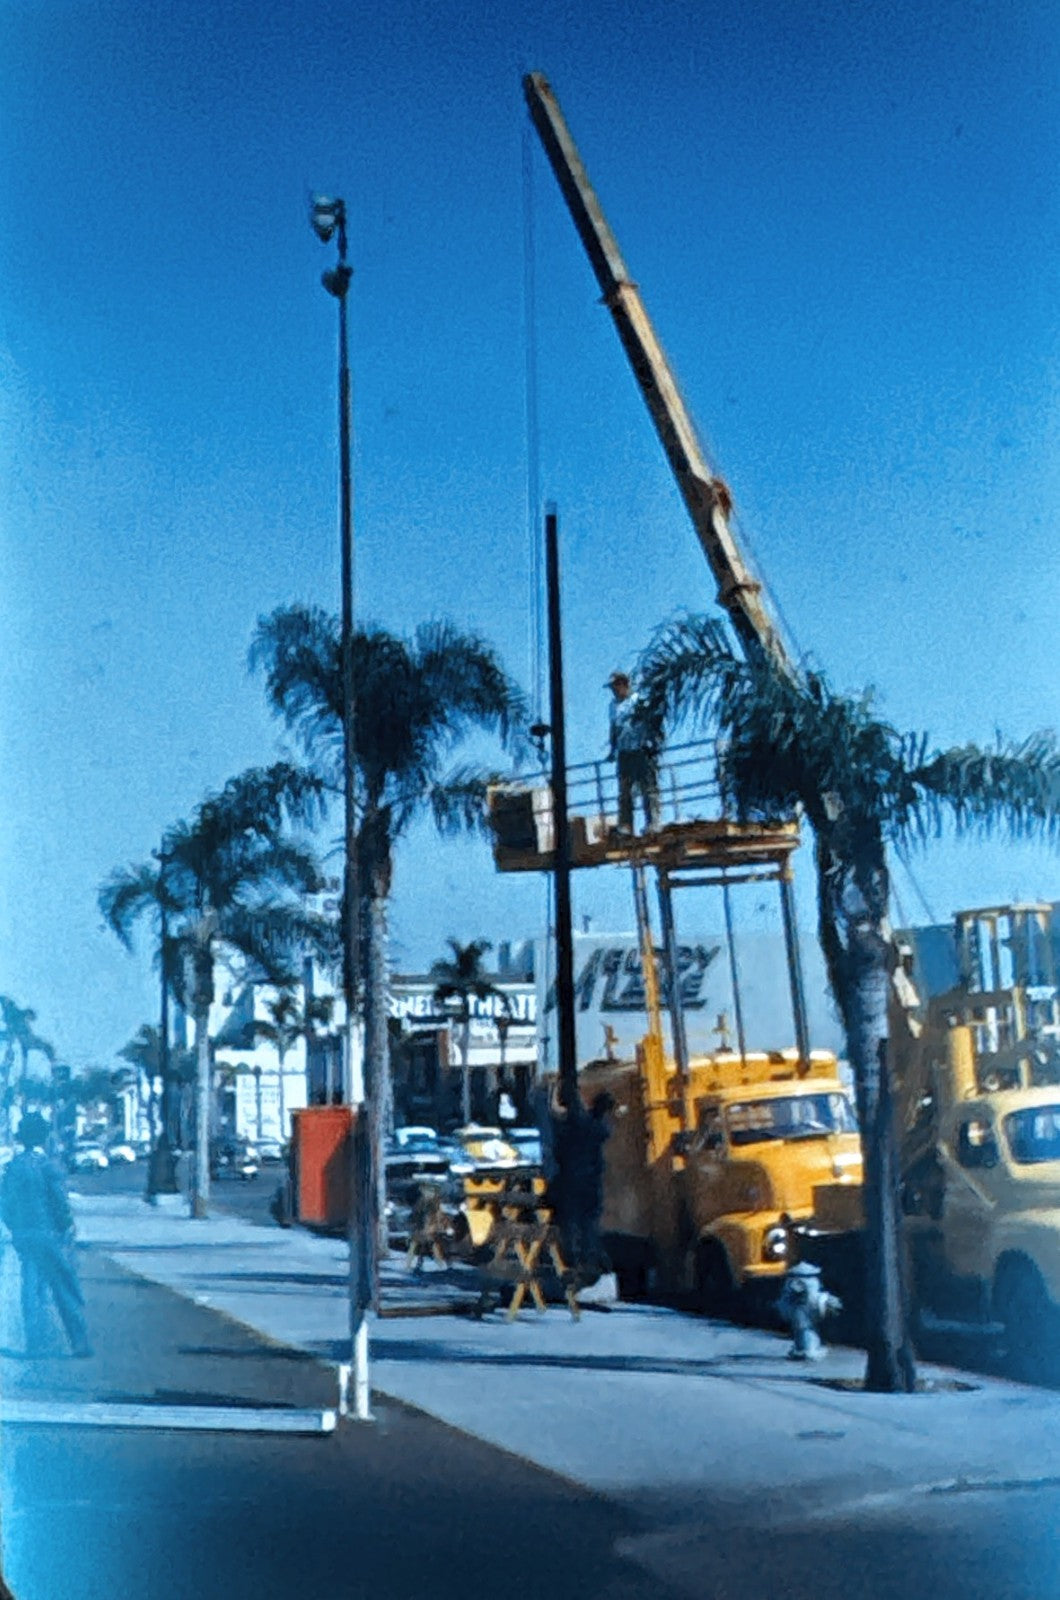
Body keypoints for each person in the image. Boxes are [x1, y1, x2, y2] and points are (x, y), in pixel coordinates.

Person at [0, 1112, 91, 1357]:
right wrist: (67, 1226)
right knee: (63, 1285)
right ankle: (79, 1342)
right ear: (44, 1137)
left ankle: (35, 1343)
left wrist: (16, 1227)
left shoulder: (13, 1167)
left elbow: (5, 1204)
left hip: (25, 1234)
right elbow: (60, 1202)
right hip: (49, 1234)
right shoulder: (48, 1166)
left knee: (30, 1288)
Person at [548, 1089, 615, 1282]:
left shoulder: (573, 1125)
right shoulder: (598, 1128)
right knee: (588, 1226)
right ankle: (586, 1263)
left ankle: (573, 1262)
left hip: (571, 1182)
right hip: (589, 1184)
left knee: (572, 1225)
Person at [607, 670, 662, 834]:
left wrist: (652, 742)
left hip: (641, 749)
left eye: (615, 686)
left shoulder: (637, 700)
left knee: (648, 788)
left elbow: (651, 720)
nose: (614, 690)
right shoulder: (612, 706)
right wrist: (613, 749)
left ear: (624, 685)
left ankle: (653, 822)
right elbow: (614, 728)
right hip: (624, 751)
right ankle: (625, 825)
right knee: (625, 791)